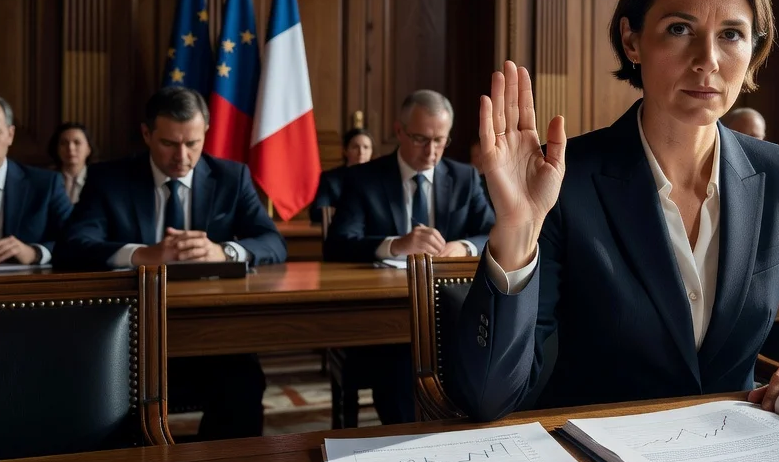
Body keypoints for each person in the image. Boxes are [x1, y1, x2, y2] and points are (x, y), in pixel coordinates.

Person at [459, 0, 779, 422]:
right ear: (632, 40)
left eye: (731, 34)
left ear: (754, 49)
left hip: (739, 451)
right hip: (599, 453)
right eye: (680, 29)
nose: (708, 61)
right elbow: (489, 398)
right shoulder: (564, 181)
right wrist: (518, 227)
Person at [56, 87, 285, 439]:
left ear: (206, 131)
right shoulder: (109, 179)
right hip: (129, 336)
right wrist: (140, 254)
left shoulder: (231, 177)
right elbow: (71, 247)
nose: (182, 156)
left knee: (244, 384)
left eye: (193, 143)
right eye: (169, 143)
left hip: (211, 331)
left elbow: (273, 241)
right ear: (146, 134)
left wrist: (223, 251)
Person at [323, 90, 494, 424]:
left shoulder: (464, 177)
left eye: (440, 140)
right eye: (420, 139)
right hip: (385, 317)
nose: (431, 151)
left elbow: (492, 231)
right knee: (401, 371)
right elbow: (338, 244)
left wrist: (464, 246)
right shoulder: (364, 179)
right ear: (399, 131)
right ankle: (405, 441)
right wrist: (396, 245)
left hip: (451, 310)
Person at [0, 95, 72, 265]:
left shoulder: (45, 184)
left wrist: (35, 253)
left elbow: (76, 238)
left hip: (25, 280)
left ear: (10, 135)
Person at [309, 128, 373, 224]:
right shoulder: (330, 178)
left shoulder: (380, 178)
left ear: (371, 151)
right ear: (345, 151)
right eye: (355, 147)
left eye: (366, 147)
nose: (361, 152)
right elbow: (317, 212)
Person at [47, 122, 93, 204]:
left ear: (88, 149)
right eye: (64, 143)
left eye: (77, 142)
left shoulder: (99, 181)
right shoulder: (46, 179)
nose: (70, 148)